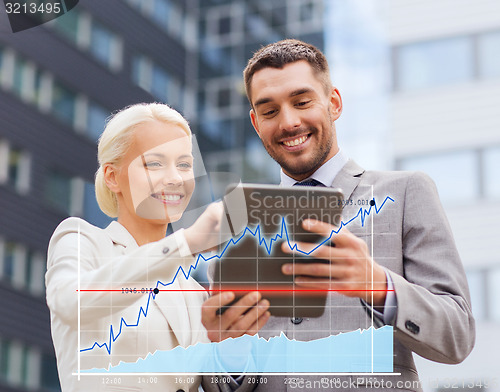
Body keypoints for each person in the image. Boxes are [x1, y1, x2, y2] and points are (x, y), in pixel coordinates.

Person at [201, 40, 475, 391]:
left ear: (333, 103)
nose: (289, 122)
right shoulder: (237, 222)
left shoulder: (406, 193)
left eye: (302, 102)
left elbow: (457, 336)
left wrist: (377, 285)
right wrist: (228, 349)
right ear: (256, 123)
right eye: (269, 111)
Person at [46, 103, 222, 392]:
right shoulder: (82, 241)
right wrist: (186, 243)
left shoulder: (194, 292)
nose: (175, 178)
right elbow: (70, 302)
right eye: (154, 163)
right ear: (113, 177)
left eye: (184, 164)